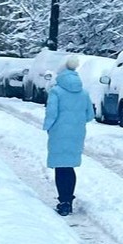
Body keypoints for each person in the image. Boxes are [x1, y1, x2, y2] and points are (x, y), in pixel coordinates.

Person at [43, 55, 94, 216]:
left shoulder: (56, 91)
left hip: (59, 132)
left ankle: (63, 202)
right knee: (70, 166)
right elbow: (90, 115)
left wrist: (47, 127)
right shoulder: (84, 92)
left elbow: (52, 113)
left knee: (60, 167)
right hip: (77, 133)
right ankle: (69, 200)